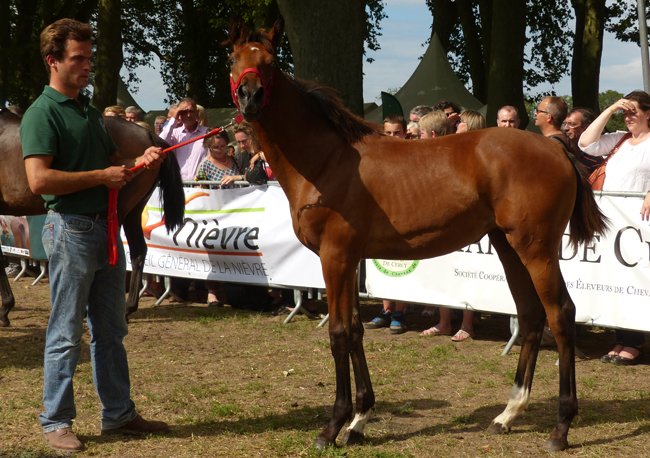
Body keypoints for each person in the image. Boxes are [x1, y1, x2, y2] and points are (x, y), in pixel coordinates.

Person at [19, 18, 169, 452]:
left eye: (89, 58)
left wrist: (140, 161)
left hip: (104, 229)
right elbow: (39, 181)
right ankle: (56, 420)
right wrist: (102, 176)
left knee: (111, 330)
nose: (87, 66)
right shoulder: (41, 113)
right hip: (71, 229)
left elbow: (109, 170)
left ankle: (118, 414)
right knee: (66, 332)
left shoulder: (87, 111)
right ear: (53, 61)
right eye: (78, 58)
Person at [578, 90, 650, 365]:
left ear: (648, 114)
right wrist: (610, 110)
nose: (628, 117)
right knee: (616, 280)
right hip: (613, 223)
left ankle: (634, 341)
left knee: (636, 280)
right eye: (626, 112)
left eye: (634, 112)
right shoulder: (620, 139)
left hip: (640, 225)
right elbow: (586, 143)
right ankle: (621, 337)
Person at [419, 111, 486, 342]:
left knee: (466, 273)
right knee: (442, 272)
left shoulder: (464, 155)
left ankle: (467, 324)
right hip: (443, 222)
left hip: (465, 224)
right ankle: (444, 322)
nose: (456, 126)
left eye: (460, 124)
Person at [195, 130, 244, 307]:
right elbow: (200, 188)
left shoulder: (235, 161)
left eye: (222, 146)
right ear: (209, 147)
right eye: (215, 147)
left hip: (237, 209)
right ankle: (212, 291)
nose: (220, 150)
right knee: (214, 251)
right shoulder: (205, 165)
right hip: (215, 213)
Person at [159, 97, 209, 181]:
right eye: (184, 112)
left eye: (191, 111)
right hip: (178, 184)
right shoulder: (174, 133)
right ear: (179, 114)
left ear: (197, 113)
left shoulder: (207, 133)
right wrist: (174, 118)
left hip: (200, 185)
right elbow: (160, 143)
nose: (188, 115)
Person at [563, 107, 603, 173]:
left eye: (572, 124)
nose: (565, 128)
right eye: (565, 124)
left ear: (587, 127)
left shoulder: (596, 161)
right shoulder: (562, 151)